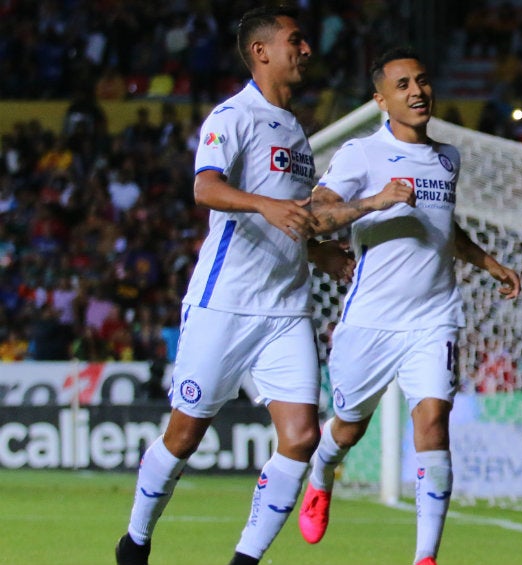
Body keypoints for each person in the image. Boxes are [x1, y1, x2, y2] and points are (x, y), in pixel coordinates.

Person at [297, 47, 521, 565]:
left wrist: (488, 262)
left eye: (422, 80)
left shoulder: (449, 157)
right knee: (348, 427)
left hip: (434, 316)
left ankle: (425, 556)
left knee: (434, 420)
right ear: (381, 99)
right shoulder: (361, 154)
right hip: (371, 320)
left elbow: (443, 227)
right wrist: (375, 202)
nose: (417, 91)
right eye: (402, 85)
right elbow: (315, 212)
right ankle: (323, 469)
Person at [115, 6, 322, 565]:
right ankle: (134, 541)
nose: (306, 49)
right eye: (295, 41)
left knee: (302, 437)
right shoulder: (232, 115)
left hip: (286, 310)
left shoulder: (298, 133)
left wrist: (325, 253)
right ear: (261, 51)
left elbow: (288, 221)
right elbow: (206, 188)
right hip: (224, 305)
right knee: (182, 438)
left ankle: (244, 561)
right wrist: (265, 203)